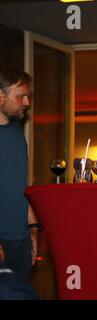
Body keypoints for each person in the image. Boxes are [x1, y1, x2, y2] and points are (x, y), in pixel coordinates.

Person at [0, 65, 40, 283]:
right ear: (0, 96)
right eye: (21, 96)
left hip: (20, 240)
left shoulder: (17, 133)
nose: (27, 103)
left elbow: (20, 186)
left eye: (28, 96)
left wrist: (33, 229)